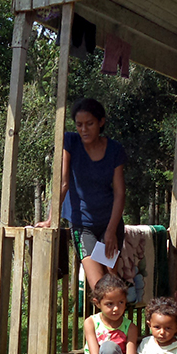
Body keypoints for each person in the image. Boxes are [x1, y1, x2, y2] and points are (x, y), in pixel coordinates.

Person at [37, 98, 126, 291]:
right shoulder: (70, 142)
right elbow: (63, 183)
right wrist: (51, 218)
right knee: (99, 287)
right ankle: (103, 312)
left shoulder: (114, 150)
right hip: (82, 225)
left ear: (101, 122)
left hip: (109, 223)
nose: (84, 129)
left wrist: (111, 232)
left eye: (89, 124)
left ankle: (120, 311)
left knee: (112, 281)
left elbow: (120, 193)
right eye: (79, 125)